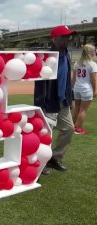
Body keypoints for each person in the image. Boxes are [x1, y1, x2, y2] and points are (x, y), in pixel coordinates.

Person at [34, 25, 76, 175]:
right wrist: (40, 103)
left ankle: (55, 157)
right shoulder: (46, 56)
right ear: (54, 38)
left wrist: (70, 98)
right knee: (46, 134)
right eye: (64, 37)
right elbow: (39, 82)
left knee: (69, 128)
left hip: (63, 101)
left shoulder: (66, 53)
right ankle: (41, 161)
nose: (67, 39)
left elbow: (67, 77)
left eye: (68, 36)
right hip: (49, 101)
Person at [71, 44, 97, 135]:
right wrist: (95, 90)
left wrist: (71, 88)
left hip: (77, 88)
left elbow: (73, 78)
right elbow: (93, 79)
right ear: (90, 52)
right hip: (86, 89)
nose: (95, 52)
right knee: (83, 110)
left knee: (76, 108)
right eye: (93, 51)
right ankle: (78, 129)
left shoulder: (77, 63)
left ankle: (72, 126)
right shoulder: (92, 64)